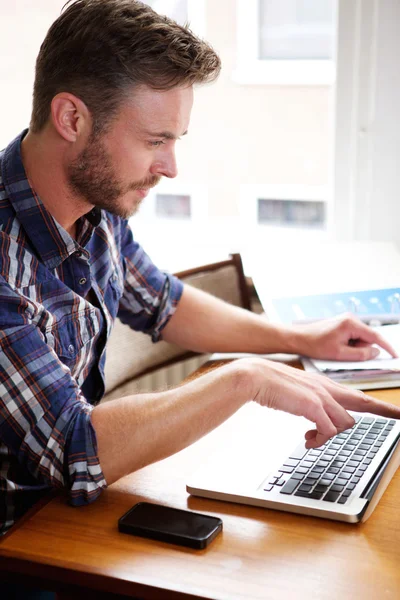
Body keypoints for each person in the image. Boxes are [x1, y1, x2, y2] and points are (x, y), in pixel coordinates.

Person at [1, 0, 400, 546]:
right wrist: (244, 377)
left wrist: (296, 338)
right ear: (72, 118)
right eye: (154, 141)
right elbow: (76, 450)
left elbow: (162, 302)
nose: (170, 167)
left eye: (174, 141)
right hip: (24, 546)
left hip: (67, 520)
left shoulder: (94, 205)